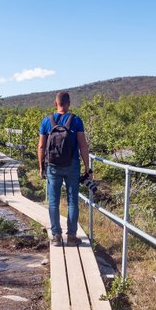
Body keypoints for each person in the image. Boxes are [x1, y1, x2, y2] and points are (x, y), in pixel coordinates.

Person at [38, 91, 91, 246]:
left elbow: (41, 146)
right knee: (72, 201)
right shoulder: (76, 120)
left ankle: (56, 236)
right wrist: (88, 168)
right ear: (69, 103)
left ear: (56, 103)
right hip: (72, 165)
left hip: (52, 166)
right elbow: (83, 145)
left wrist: (42, 167)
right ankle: (72, 237)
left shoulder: (47, 121)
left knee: (53, 202)